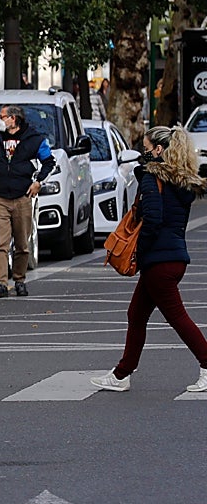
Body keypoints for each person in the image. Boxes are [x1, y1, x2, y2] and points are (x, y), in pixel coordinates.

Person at [91, 126, 207, 393]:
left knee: (177, 317)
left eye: (145, 148)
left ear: (158, 150)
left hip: (159, 261)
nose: (142, 153)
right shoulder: (182, 181)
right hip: (173, 257)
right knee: (137, 314)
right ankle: (121, 374)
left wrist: (139, 254)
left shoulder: (151, 179)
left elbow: (152, 220)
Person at [0, 104, 55, 298]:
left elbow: (49, 162)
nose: (0, 120)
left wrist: (38, 182)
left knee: (21, 244)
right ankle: (1, 283)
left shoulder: (33, 139)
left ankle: (19, 279)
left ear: (14, 119)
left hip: (22, 197)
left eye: (3, 117)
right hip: (0, 197)